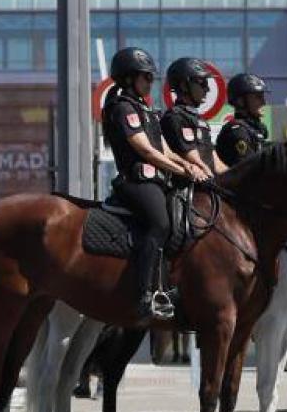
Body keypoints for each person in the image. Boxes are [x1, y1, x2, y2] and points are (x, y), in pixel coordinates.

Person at [102, 47, 207, 320]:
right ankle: (144, 294)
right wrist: (181, 168)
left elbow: (163, 149)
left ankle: (171, 283)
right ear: (129, 79)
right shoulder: (123, 107)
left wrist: (188, 165)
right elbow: (145, 151)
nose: (151, 82)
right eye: (146, 77)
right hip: (136, 180)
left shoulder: (145, 109)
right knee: (160, 223)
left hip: (156, 180)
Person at [161, 57, 226, 177]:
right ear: (184, 86)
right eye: (202, 83)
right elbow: (193, 159)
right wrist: (213, 179)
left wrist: (238, 177)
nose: (207, 89)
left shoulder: (199, 120)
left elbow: (214, 162)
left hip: (207, 182)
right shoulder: (175, 117)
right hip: (188, 185)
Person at [216, 73, 271, 167]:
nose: (264, 102)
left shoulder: (253, 129)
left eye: (263, 96)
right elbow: (246, 170)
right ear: (240, 101)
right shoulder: (238, 132)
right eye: (258, 97)